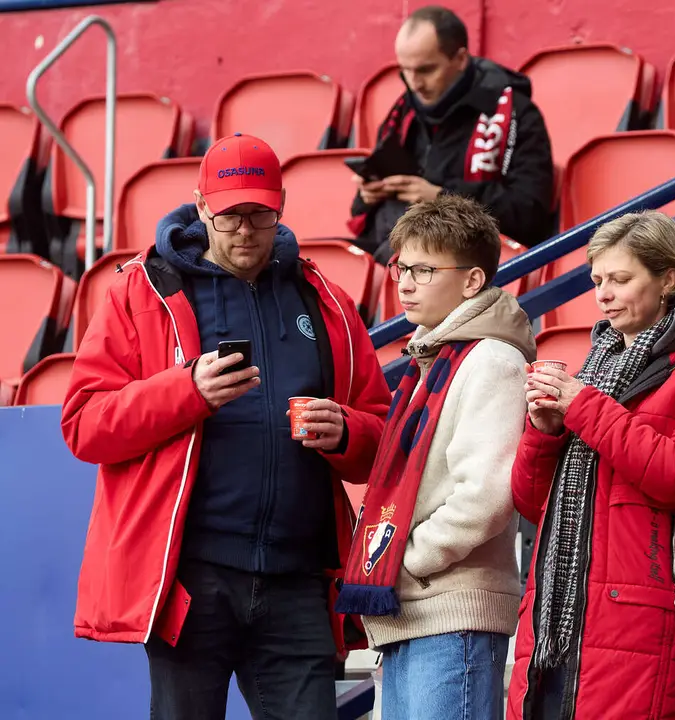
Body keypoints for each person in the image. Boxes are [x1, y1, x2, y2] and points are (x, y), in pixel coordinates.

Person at [61, 133, 392, 720]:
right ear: (200, 204)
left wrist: (344, 431)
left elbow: (382, 435)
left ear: (281, 205)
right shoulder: (140, 292)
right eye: (230, 214)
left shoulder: (327, 300)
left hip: (297, 579)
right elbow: (85, 425)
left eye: (259, 213)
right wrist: (185, 392)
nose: (245, 229)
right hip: (192, 579)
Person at [504, 210, 675, 719]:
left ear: (670, 278)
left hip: (641, 623)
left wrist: (582, 408)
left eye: (620, 279)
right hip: (554, 624)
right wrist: (542, 432)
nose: (602, 294)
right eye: (597, 280)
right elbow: (532, 503)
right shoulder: (595, 367)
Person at [333, 195, 536, 719]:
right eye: (401, 267)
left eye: (424, 270)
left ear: (472, 281)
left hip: (451, 612)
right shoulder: (432, 358)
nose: (404, 282)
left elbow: (487, 497)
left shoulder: (491, 359)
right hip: (414, 607)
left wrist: (403, 559)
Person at [349, 5, 556, 262]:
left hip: (468, 258)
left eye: (426, 70)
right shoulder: (403, 112)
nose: (414, 83)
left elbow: (529, 214)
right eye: (405, 70)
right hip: (395, 247)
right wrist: (367, 195)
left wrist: (441, 197)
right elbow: (360, 213)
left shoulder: (516, 114)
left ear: (460, 59)